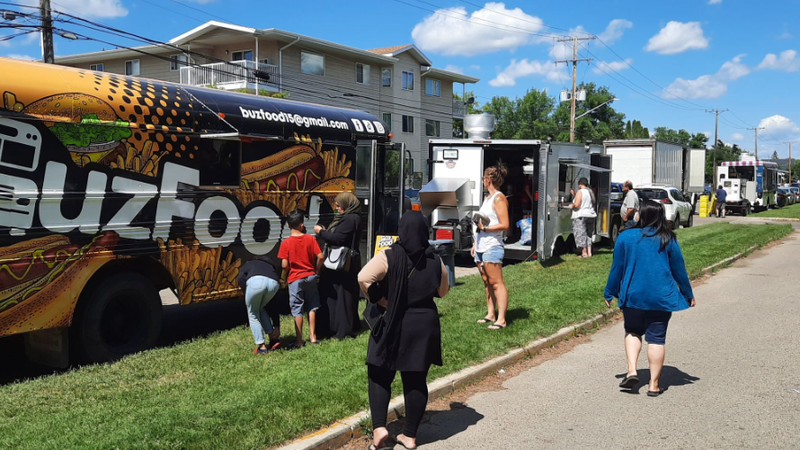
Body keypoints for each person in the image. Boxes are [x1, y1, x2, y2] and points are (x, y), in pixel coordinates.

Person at [358, 211, 450, 450]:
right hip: (423, 325)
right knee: (416, 380)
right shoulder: (435, 259)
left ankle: (379, 428)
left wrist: (381, 300)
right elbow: (443, 291)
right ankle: (409, 436)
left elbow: (363, 277)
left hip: (392, 322)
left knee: (379, 374)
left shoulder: (388, 256)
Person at [604, 200, 696, 397]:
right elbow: (679, 269)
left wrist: (609, 291)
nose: (635, 213)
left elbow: (617, 268)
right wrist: (688, 294)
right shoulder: (667, 238)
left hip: (633, 295)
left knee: (633, 331)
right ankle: (653, 385)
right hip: (661, 296)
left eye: (638, 211)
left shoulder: (625, 237)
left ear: (642, 214)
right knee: (656, 338)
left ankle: (632, 370)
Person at [315, 192, 363, 339]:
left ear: (347, 205)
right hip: (348, 262)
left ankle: (339, 327)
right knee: (346, 295)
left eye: (339, 205)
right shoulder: (355, 218)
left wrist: (321, 232)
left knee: (340, 295)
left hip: (341, 263)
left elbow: (338, 238)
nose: (337, 207)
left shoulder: (349, 219)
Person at [473, 162, 510, 330]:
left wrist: (486, 228)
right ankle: (490, 314)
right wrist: (475, 243)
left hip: (492, 245)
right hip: (481, 245)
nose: (482, 181)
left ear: (488, 179)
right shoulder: (487, 198)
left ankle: (501, 319)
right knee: (486, 281)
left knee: (496, 282)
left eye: (483, 178)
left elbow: (505, 224)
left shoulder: (499, 198)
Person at [279, 210, 324, 348]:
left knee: (297, 308)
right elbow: (321, 256)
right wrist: (316, 270)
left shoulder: (286, 243)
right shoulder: (310, 239)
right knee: (312, 306)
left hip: (295, 278)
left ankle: (299, 340)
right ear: (302, 225)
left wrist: (288, 270)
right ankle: (313, 336)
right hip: (310, 276)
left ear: (287, 225)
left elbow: (284, 265)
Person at [237, 255, 281, 354]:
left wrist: (246, 293)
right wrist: (277, 325)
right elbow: (274, 303)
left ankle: (262, 347)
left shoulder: (249, 264)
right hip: (274, 283)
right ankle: (273, 338)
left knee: (252, 312)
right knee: (259, 308)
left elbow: (240, 278)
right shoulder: (270, 266)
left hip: (255, 282)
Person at [567, 177, 597, 258]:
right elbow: (585, 201)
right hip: (591, 215)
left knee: (581, 233)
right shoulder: (590, 192)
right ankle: (589, 252)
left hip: (581, 215)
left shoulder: (580, 192)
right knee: (589, 234)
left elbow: (577, 205)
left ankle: (584, 253)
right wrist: (574, 195)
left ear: (580, 184)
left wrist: (572, 205)